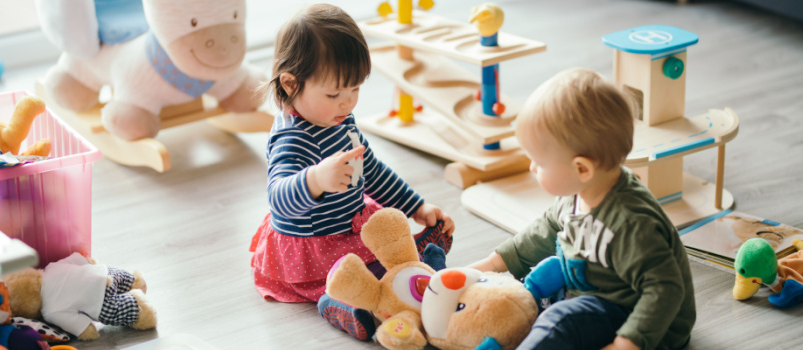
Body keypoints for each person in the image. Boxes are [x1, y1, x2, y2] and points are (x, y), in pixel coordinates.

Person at [249, 3, 454, 341]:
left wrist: (417, 207)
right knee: (354, 276)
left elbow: (371, 171)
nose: (348, 103)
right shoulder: (293, 139)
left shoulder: (339, 119)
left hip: (350, 224)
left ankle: (415, 263)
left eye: (355, 89)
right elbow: (278, 199)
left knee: (386, 241)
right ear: (290, 84)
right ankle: (341, 305)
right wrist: (315, 179)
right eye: (334, 93)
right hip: (313, 246)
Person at [469, 68, 696, 350]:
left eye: (538, 162)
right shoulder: (577, 192)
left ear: (581, 168)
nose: (531, 167)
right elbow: (545, 229)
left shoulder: (632, 223)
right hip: (590, 295)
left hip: (644, 324)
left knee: (558, 322)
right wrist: (490, 265)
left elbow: (665, 289)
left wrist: (626, 344)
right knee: (520, 302)